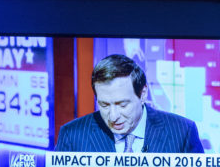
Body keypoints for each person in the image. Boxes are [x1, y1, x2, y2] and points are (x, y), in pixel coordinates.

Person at [55, 54, 204, 153]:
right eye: (104, 105)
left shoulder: (183, 132)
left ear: (143, 94)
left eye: (122, 104)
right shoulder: (72, 135)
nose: (113, 117)